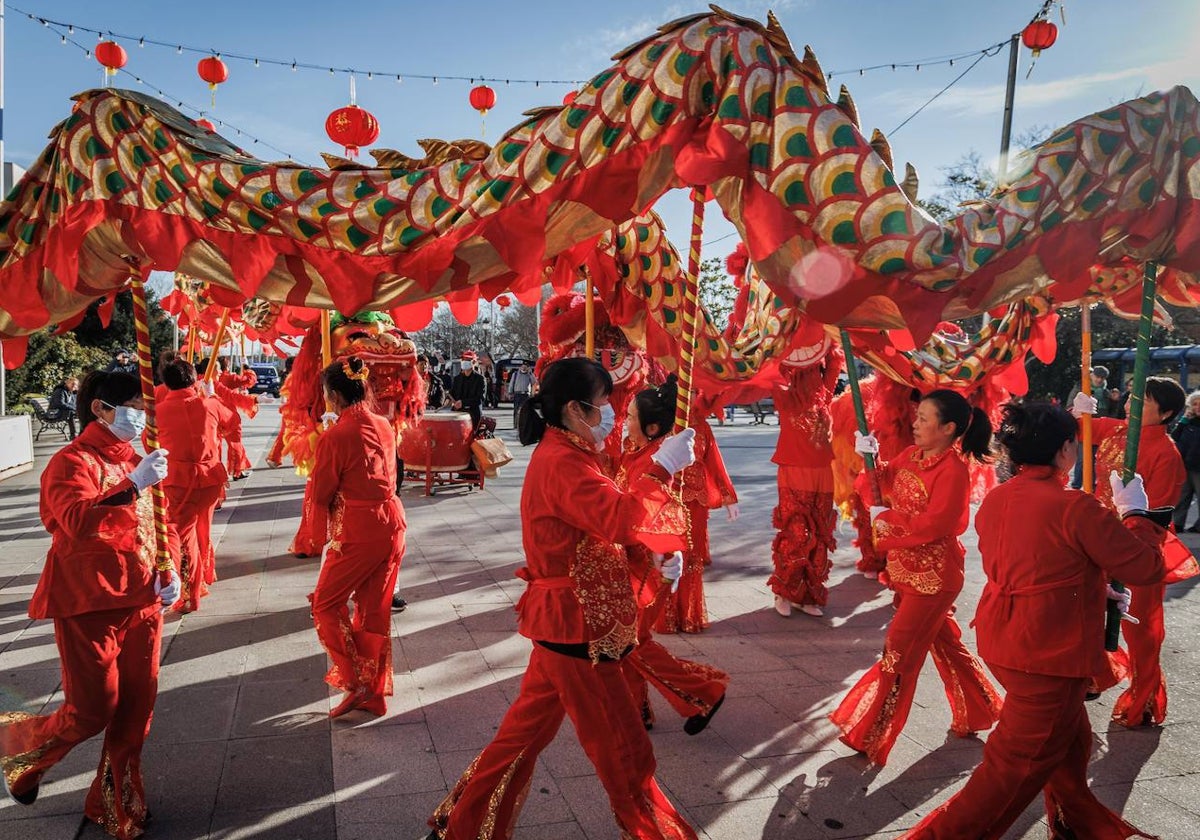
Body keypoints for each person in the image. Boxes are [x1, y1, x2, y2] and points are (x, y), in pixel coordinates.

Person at [426, 358, 699, 840]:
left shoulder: (573, 453)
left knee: (520, 739)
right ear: (576, 409)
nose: (612, 414)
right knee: (625, 754)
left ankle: (462, 826)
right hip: (577, 628)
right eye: (604, 405)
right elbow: (615, 517)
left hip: (568, 624)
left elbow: (596, 533)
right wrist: (661, 467)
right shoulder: (564, 461)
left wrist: (649, 558)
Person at [903, 401, 1166, 839]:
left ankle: (1077, 824)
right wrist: (1136, 512)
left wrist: (1090, 582)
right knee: (1009, 772)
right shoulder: (1074, 506)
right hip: (1047, 650)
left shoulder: (999, 497)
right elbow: (1146, 568)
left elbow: (1027, 561)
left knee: (1072, 744)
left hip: (1006, 636)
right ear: (1065, 451)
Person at [0, 370, 179, 838]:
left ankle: (115, 803)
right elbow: (78, 521)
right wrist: (134, 486)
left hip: (143, 600)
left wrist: (173, 568)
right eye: (135, 408)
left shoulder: (139, 460)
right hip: (88, 603)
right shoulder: (69, 462)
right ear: (101, 408)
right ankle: (20, 748)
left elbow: (164, 524)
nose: (142, 418)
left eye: (144, 409)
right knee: (93, 708)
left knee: (137, 710)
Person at [829, 389, 1002, 765]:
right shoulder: (912, 455)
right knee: (947, 645)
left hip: (935, 577)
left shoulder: (953, 470)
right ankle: (983, 709)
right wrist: (868, 457)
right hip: (906, 570)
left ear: (948, 428)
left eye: (924, 418)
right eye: (917, 415)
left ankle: (871, 732)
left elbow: (942, 523)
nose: (915, 423)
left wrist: (888, 520)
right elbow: (880, 484)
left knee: (899, 652)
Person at [1074, 375, 1187, 727]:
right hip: (1099, 538)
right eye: (1131, 397)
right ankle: (1100, 672)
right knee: (1088, 609)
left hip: (1139, 547)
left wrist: (1133, 549)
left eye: (1143, 401)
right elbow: (1082, 429)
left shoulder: (1167, 455)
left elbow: (1158, 516)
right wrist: (1080, 412)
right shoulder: (1119, 431)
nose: (1130, 404)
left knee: (1142, 628)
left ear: (1166, 413)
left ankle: (1145, 697)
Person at [618, 378, 729, 732]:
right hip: (634, 565)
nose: (625, 421)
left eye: (631, 416)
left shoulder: (657, 460)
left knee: (630, 642)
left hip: (650, 567)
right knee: (630, 643)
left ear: (651, 427)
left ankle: (704, 692)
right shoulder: (636, 452)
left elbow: (647, 513)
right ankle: (636, 711)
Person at [309, 356, 406, 718]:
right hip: (392, 522)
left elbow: (320, 493)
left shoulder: (336, 436)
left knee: (326, 603)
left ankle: (354, 680)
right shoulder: (383, 423)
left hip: (360, 528)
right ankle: (375, 691)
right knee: (374, 612)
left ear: (333, 395)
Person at [156, 358, 235, 613]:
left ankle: (191, 593)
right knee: (203, 526)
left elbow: (151, 446)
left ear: (166, 383)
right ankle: (205, 574)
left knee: (183, 535)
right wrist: (213, 400)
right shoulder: (209, 403)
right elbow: (232, 422)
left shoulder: (157, 412)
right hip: (210, 478)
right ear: (194, 378)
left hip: (179, 481)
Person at [1171, 390, 1200, 532]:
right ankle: (1178, 523)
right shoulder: (1187, 422)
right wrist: (1183, 421)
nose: (1198, 407)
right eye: (1195, 404)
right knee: (1183, 495)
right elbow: (1174, 437)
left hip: (1198, 466)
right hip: (1185, 464)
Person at [449, 356, 486, 431]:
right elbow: (452, 393)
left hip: (473, 414)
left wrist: (463, 402)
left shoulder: (480, 379)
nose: (465, 362)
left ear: (474, 363)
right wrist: (448, 399)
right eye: (463, 360)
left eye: (468, 360)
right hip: (458, 413)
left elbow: (480, 399)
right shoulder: (457, 379)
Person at [48, 375, 79, 439]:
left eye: (75, 385)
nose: (74, 386)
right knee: (71, 412)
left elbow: (74, 403)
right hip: (54, 412)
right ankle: (73, 434)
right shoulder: (60, 391)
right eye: (72, 384)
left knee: (82, 412)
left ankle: (82, 432)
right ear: (67, 383)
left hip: (62, 411)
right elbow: (60, 404)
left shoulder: (71, 392)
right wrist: (74, 409)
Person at [508, 360, 536, 427]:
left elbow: (534, 382)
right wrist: (510, 393)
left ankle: (524, 424)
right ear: (520, 367)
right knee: (516, 410)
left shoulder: (529, 375)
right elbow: (511, 384)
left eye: (525, 367)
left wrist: (531, 373)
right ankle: (515, 424)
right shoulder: (515, 374)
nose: (524, 368)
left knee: (525, 410)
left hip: (526, 394)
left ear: (528, 368)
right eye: (523, 366)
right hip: (517, 394)